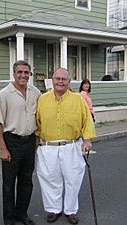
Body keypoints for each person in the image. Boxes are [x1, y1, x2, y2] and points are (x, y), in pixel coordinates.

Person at [35, 68, 96, 224]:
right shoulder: (43, 99)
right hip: (48, 147)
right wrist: (36, 138)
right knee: (49, 179)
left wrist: (87, 140)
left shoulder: (78, 99)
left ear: (69, 82)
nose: (60, 81)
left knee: (73, 179)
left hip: (72, 145)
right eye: (57, 78)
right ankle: (54, 209)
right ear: (52, 80)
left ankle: (70, 210)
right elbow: (37, 121)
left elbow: (87, 120)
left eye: (64, 79)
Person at [0, 60, 41, 225]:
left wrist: (37, 139)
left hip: (30, 142)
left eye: (26, 72)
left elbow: (39, 117)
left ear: (29, 74)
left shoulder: (35, 92)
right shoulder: (4, 94)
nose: (23, 75)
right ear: (14, 74)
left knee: (26, 181)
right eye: (20, 72)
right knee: (9, 184)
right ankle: (9, 219)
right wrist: (3, 149)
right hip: (11, 142)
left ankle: (22, 214)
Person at [79, 79, 97, 154]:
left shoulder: (86, 94)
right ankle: (85, 148)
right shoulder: (82, 94)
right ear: (82, 86)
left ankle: (86, 148)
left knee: (88, 131)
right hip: (87, 115)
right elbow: (83, 106)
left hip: (90, 114)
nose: (87, 86)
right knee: (86, 131)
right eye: (85, 84)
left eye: (88, 84)